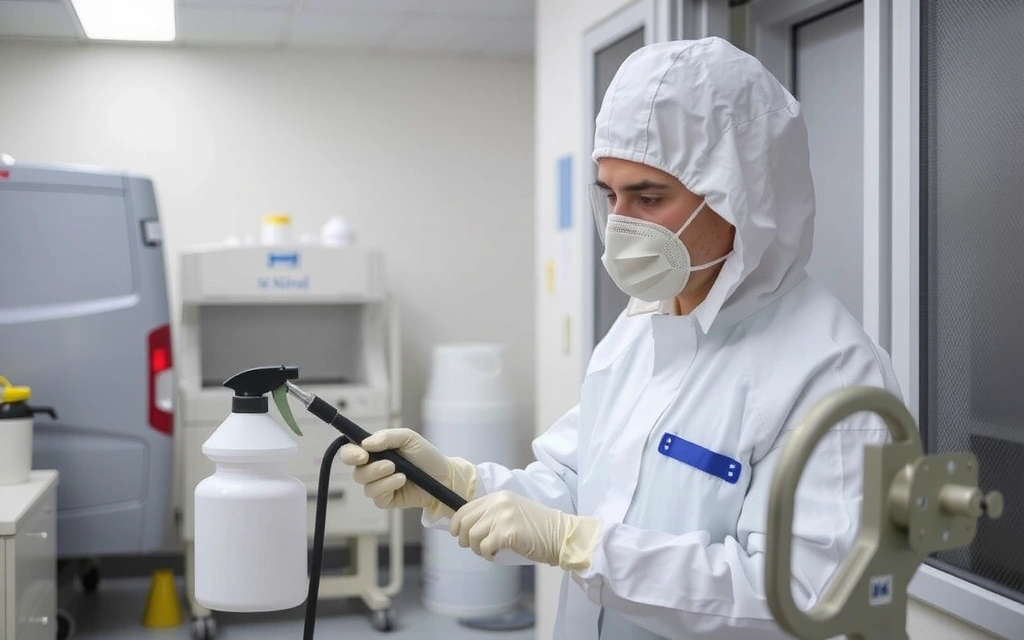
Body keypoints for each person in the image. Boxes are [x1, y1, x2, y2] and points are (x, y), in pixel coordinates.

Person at [339, 37, 902, 639]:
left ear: (743, 196)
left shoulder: (833, 373)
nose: (622, 224)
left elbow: (807, 599)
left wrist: (585, 547)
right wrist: (458, 486)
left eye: (649, 196)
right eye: (610, 195)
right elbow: (572, 484)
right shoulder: (643, 324)